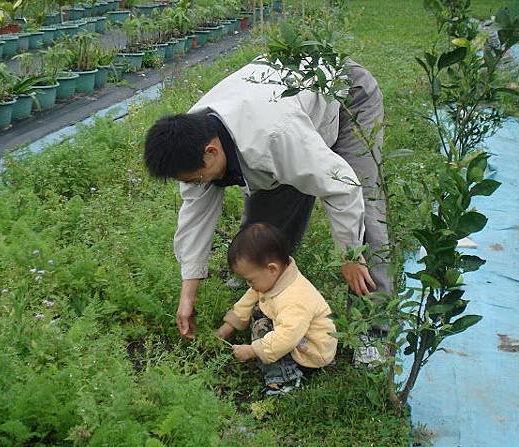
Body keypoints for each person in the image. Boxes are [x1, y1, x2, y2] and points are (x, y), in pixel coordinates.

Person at [143, 57, 390, 340]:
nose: (196, 185)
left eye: (196, 178)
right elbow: (195, 218)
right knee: (262, 235)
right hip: (292, 108)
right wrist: (188, 294)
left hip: (344, 95)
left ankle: (372, 328)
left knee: (364, 218)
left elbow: (342, 187)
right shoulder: (190, 139)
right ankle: (265, 293)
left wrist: (349, 255)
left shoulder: (275, 136)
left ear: (212, 151)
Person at [217, 223, 337, 395]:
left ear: (272, 269)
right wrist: (227, 328)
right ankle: (273, 360)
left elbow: (286, 337)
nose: (249, 285)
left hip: (311, 351)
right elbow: (249, 299)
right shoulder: (274, 279)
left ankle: (283, 380)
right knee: (259, 309)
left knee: (265, 331)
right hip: (297, 332)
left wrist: (252, 350)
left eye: (250, 280)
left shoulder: (295, 298)